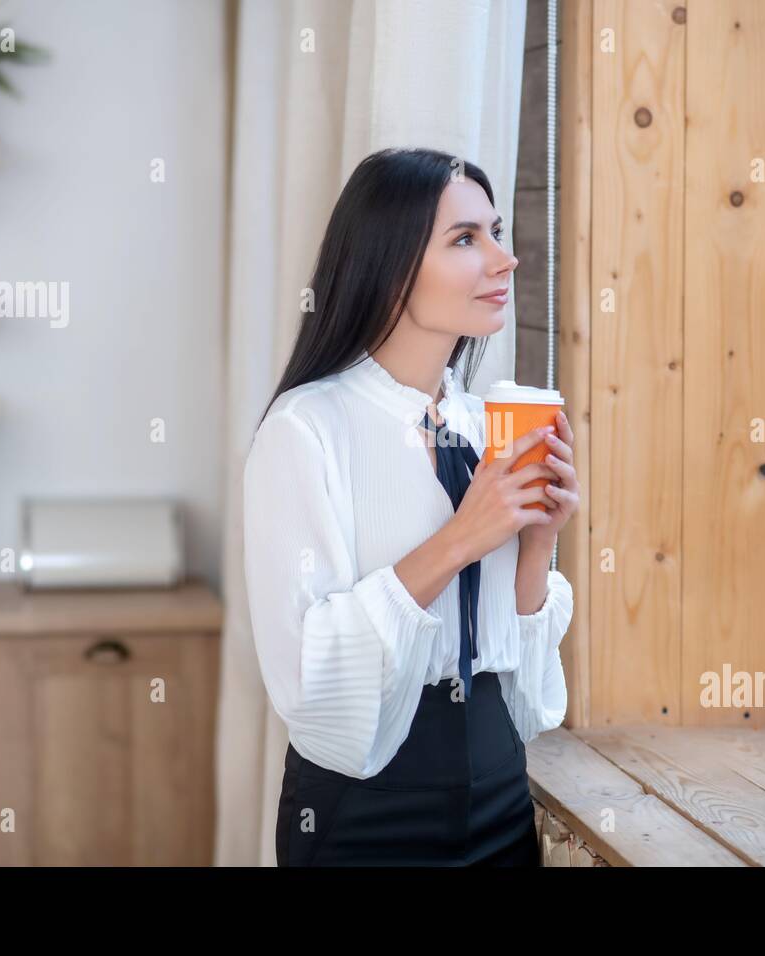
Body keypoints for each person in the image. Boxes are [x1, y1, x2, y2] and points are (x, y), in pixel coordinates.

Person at [244, 147, 579, 866]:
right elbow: (307, 680)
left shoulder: (479, 423)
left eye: (495, 232)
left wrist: (538, 543)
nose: (502, 259)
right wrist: (461, 538)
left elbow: (523, 700)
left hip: (498, 789)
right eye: (466, 239)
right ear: (389, 266)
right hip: (368, 805)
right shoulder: (305, 431)